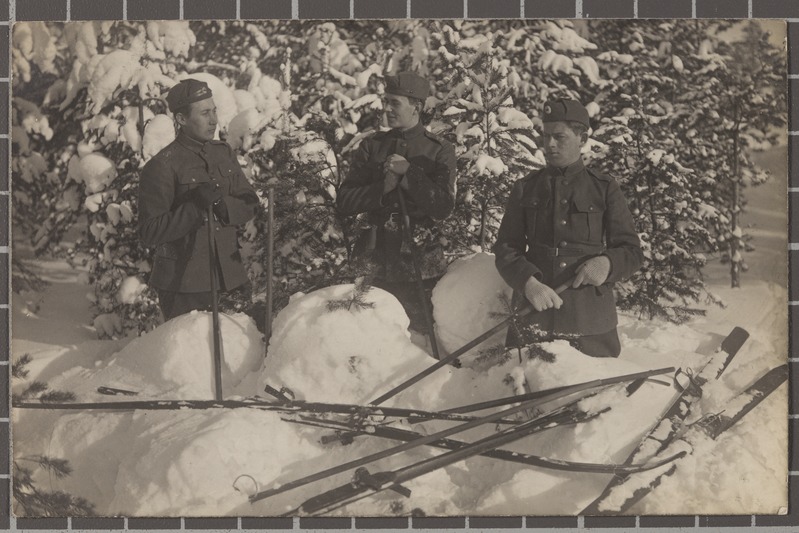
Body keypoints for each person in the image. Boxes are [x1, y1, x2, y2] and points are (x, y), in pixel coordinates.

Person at [493, 98, 643, 357]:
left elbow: (631, 251)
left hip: (589, 320)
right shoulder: (525, 187)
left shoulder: (604, 188)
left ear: (582, 138)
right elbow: (507, 248)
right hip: (534, 316)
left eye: (559, 137)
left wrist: (607, 264)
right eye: (546, 136)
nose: (549, 144)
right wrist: (528, 283)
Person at [336, 72, 457, 334]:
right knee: (366, 336)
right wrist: (384, 188)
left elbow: (443, 207)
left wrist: (409, 175)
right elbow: (344, 201)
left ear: (417, 107)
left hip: (418, 266)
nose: (387, 108)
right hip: (372, 260)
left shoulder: (439, 150)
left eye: (395, 103)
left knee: (421, 340)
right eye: (386, 101)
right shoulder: (372, 146)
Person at [138, 78, 259, 321]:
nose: (214, 119)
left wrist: (225, 207)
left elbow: (250, 202)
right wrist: (194, 207)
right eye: (204, 113)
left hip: (230, 278)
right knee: (192, 357)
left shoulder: (223, 153)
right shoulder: (162, 165)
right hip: (185, 286)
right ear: (181, 119)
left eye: (214, 111)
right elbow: (149, 232)